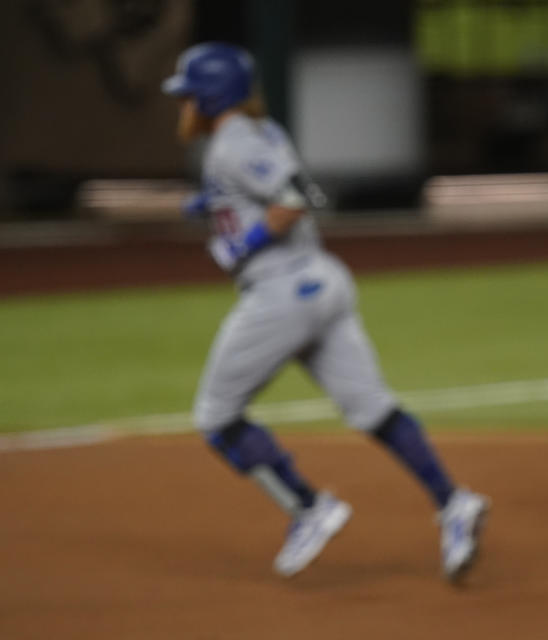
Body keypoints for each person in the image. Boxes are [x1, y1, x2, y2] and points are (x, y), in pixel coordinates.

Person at [161, 42, 489, 582]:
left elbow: (296, 195)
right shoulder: (256, 134)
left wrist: (240, 245)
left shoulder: (230, 144)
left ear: (210, 98)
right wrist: (214, 204)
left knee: (216, 418)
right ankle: (454, 503)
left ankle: (308, 507)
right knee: (373, 409)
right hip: (323, 282)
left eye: (188, 96)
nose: (183, 106)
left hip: (280, 295)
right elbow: (270, 184)